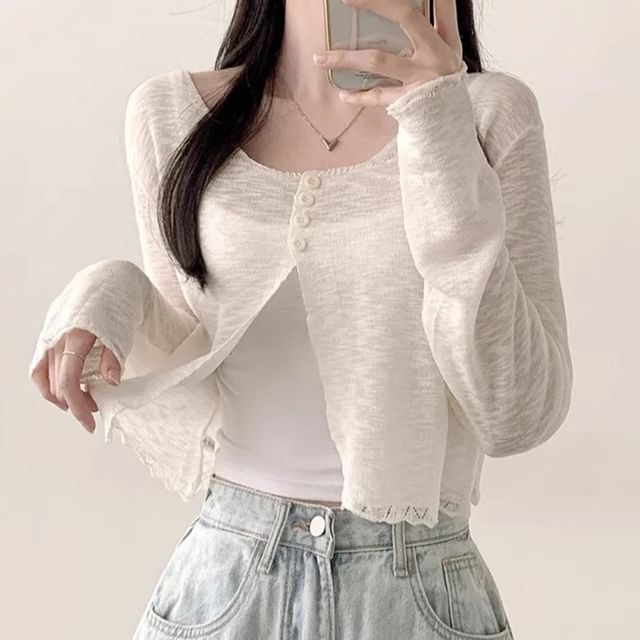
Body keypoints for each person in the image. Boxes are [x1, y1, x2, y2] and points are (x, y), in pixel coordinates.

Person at [28, 0, 573, 638]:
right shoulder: (171, 114)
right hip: (228, 583)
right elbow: (192, 350)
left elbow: (518, 414)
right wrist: (108, 294)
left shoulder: (488, 114)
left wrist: (436, 121)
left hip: (417, 590)